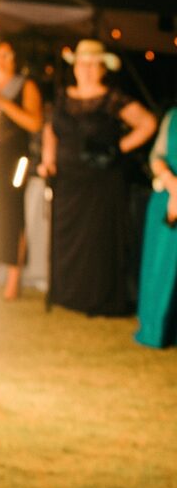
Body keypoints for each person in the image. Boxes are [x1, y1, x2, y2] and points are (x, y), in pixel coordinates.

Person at [40, 39, 156, 316]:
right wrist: (48, 160)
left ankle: (99, 299)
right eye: (83, 63)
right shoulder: (63, 96)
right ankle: (67, 294)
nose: (88, 69)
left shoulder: (112, 99)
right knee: (67, 239)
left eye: (94, 64)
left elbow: (148, 123)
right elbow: (50, 130)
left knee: (98, 242)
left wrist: (118, 148)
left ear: (103, 68)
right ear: (75, 67)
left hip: (102, 181)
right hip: (68, 181)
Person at [0, 37, 43, 299]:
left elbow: (34, 124)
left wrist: (3, 102)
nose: (3, 60)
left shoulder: (25, 86)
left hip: (13, 160)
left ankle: (12, 280)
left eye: (9, 55)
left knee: (12, 215)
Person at [136, 103, 177, 347]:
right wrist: (172, 185)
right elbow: (157, 156)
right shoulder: (172, 115)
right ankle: (155, 325)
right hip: (166, 198)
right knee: (159, 262)